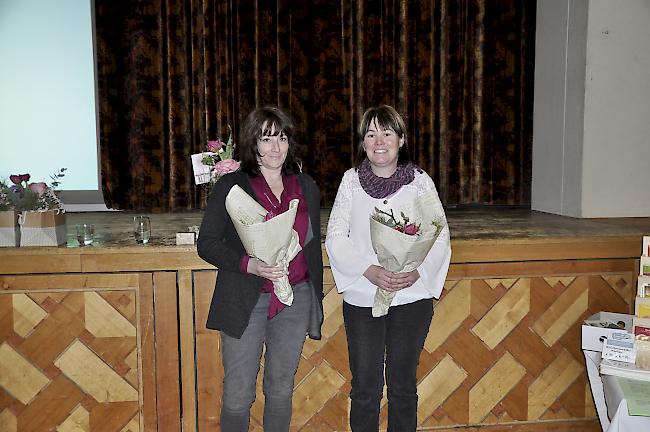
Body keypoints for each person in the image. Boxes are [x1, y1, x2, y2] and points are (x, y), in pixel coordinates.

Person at [325, 105, 451, 431]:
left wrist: (417, 273)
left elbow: (439, 235)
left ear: (401, 140)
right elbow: (336, 237)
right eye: (371, 134)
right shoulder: (351, 181)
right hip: (365, 298)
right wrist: (367, 269)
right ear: (363, 142)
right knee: (365, 388)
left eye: (387, 133)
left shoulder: (419, 182)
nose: (379, 141)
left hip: (410, 298)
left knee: (402, 388)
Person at [197, 106, 323, 432]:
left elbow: (310, 245)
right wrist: (249, 264)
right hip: (244, 298)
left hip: (295, 296)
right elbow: (207, 243)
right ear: (253, 143)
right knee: (239, 395)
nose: (275, 148)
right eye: (267, 139)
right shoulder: (232, 186)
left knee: (280, 390)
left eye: (281, 138)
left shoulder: (305, 185)